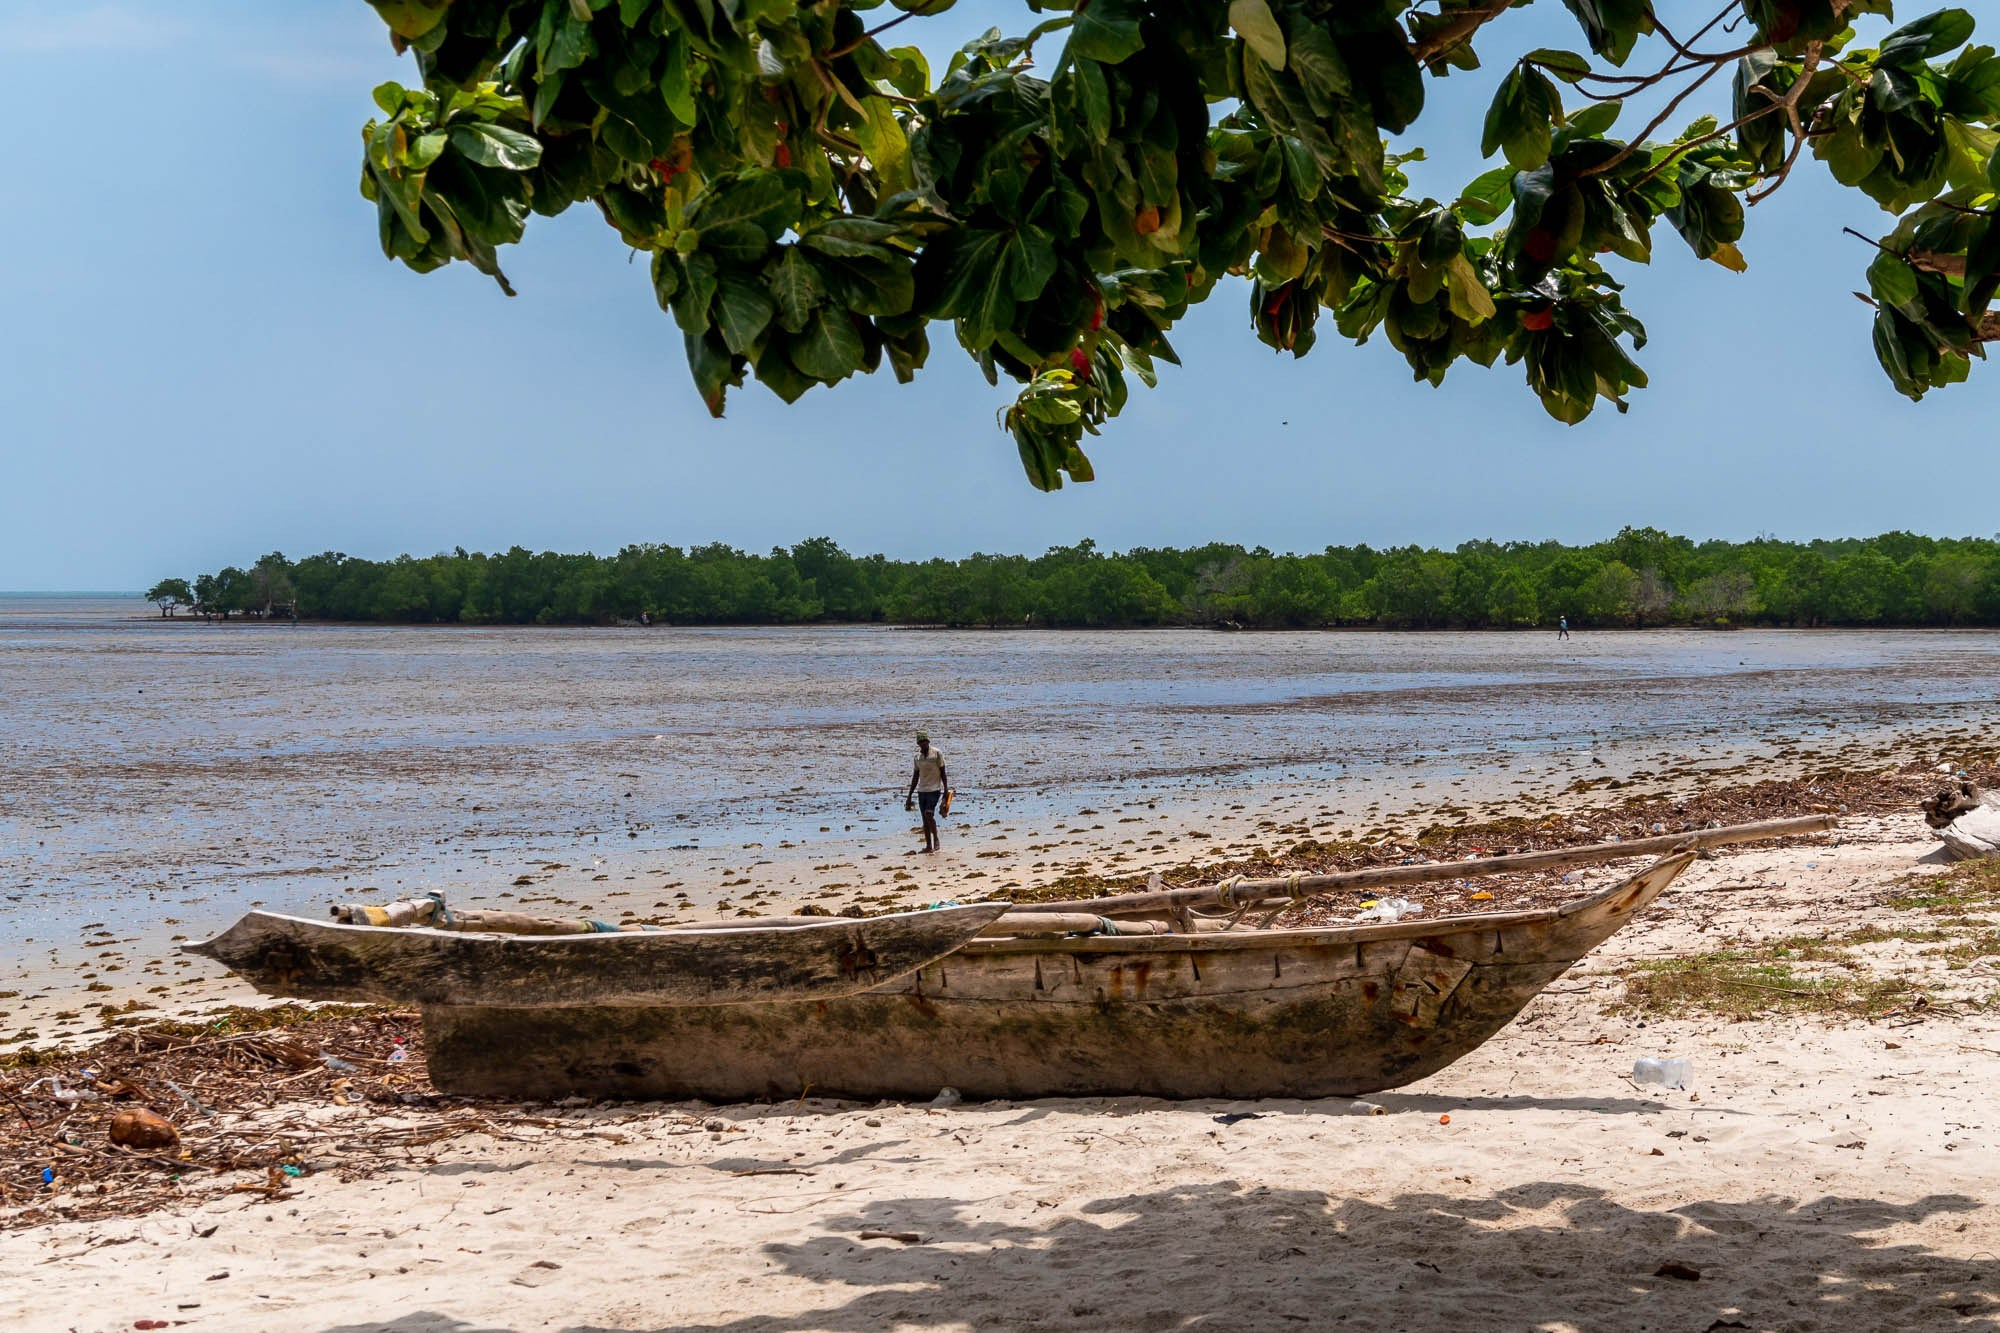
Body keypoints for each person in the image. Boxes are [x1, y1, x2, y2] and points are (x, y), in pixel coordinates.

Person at [904, 731, 948, 854]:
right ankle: (928, 846)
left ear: (928, 742)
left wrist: (945, 789)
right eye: (921, 742)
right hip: (922, 791)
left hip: (934, 790)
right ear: (918, 744)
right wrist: (909, 795)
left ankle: (936, 840)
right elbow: (915, 776)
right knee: (924, 820)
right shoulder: (917, 758)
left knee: (929, 815)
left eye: (925, 742)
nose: (923, 744)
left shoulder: (937, 754)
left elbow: (943, 772)